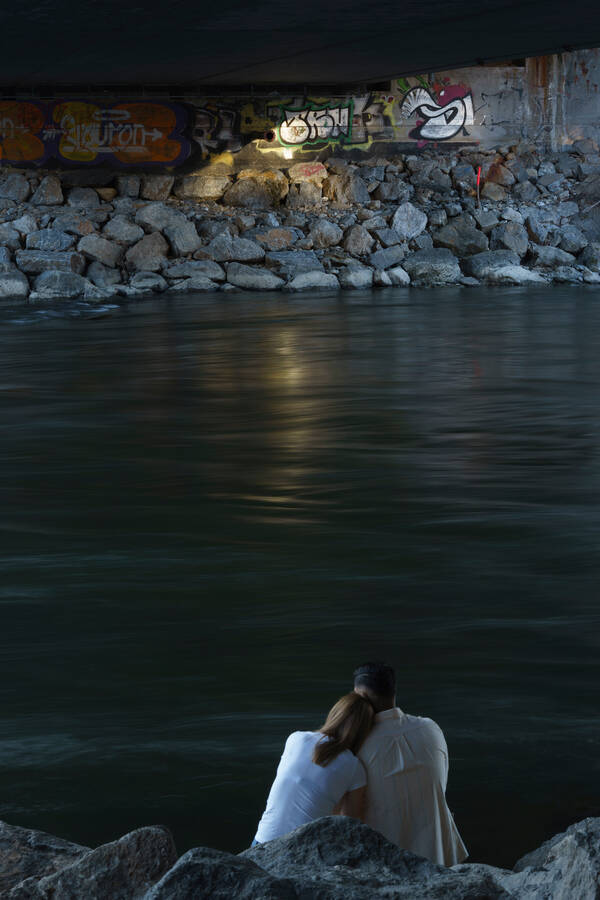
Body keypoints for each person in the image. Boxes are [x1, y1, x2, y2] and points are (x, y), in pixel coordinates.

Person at [353, 661, 468, 866]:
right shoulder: (431, 728)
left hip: (385, 864)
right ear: (393, 694)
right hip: (440, 857)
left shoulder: (358, 745)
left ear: (358, 697)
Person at [253, 692, 374, 844]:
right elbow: (350, 823)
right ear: (365, 731)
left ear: (334, 714)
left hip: (262, 839)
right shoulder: (355, 767)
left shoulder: (296, 738)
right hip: (303, 848)